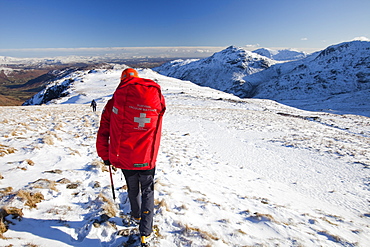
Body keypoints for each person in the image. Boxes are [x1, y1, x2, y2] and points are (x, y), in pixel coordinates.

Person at [96, 68, 166, 246]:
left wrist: (106, 157)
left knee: (133, 187)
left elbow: (104, 131)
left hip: (125, 156)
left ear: (122, 81)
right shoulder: (153, 97)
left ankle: (136, 215)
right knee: (148, 190)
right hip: (147, 156)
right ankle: (146, 231)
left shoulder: (114, 103)